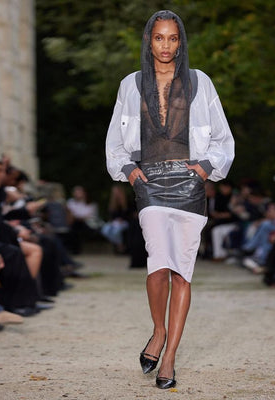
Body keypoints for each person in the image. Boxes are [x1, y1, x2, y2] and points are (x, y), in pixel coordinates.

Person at [106, 10, 234, 389]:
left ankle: (171, 355)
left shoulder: (199, 81)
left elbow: (222, 137)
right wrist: (129, 171)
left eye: (172, 38)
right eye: (159, 37)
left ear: (181, 42)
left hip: (189, 182)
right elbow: (115, 141)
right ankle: (158, 330)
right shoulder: (131, 84)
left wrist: (206, 168)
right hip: (150, 183)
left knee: (181, 270)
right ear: (149, 40)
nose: (165, 45)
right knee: (158, 265)